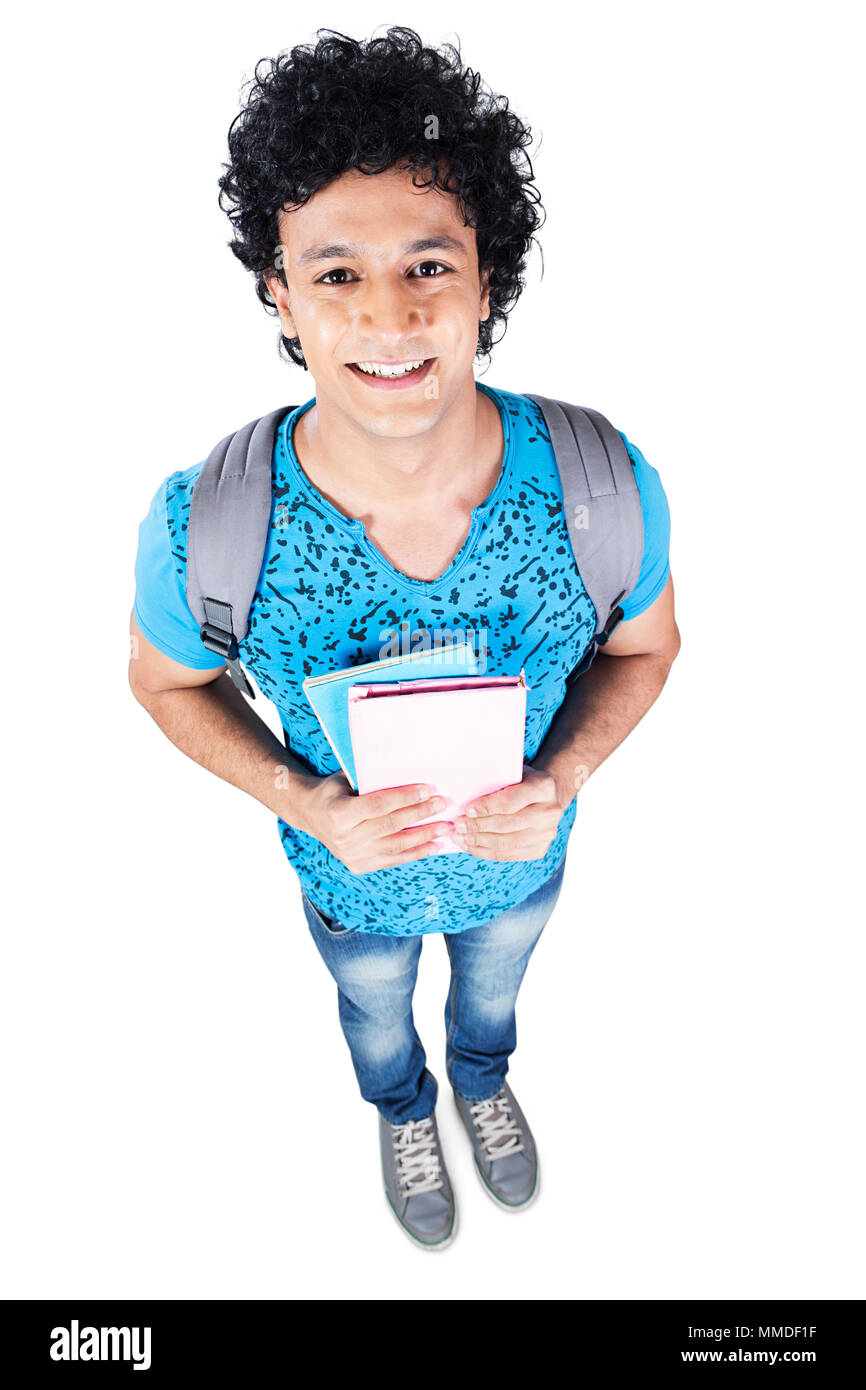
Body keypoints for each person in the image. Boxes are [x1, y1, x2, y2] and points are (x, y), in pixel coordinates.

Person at [128, 26, 680, 1253]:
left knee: (491, 998)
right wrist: (308, 804)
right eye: (335, 275)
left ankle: (480, 1079)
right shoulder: (207, 523)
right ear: (279, 293)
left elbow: (645, 646)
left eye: (430, 262)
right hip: (347, 888)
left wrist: (564, 777)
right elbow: (162, 679)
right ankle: (402, 1105)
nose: (390, 314)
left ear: (489, 278)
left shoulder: (599, 481)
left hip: (516, 875)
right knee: (375, 1012)